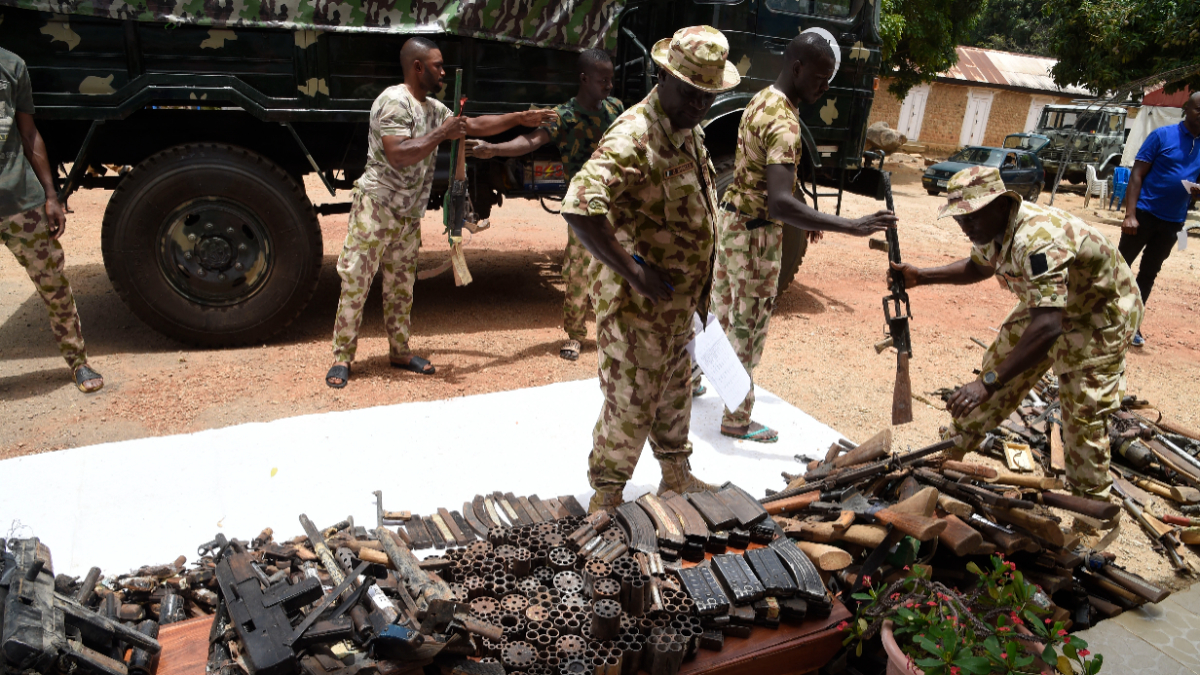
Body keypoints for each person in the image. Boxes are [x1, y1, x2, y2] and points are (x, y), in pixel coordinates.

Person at [560, 26, 739, 513]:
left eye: (708, 95)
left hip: (678, 309)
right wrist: (634, 272)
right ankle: (606, 497)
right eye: (690, 92)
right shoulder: (635, 135)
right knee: (631, 404)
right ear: (663, 76)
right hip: (638, 312)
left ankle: (676, 477)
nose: (699, 105)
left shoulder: (686, 128)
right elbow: (579, 205)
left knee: (675, 393)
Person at [891, 166, 1142, 500]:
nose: (965, 226)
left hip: (1100, 313)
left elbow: (1049, 327)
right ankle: (951, 450)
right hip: (1051, 305)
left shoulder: (1036, 239)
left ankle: (1092, 508)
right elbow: (979, 266)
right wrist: (921, 276)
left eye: (971, 217)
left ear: (1000, 204)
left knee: (1083, 413)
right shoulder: (990, 228)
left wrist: (988, 383)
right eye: (959, 218)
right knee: (996, 368)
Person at [326, 37, 554, 388]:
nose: (443, 71)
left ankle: (400, 352)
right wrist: (441, 134)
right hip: (376, 209)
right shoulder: (394, 101)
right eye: (438, 65)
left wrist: (520, 118)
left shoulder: (433, 107)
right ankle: (342, 357)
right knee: (356, 281)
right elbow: (398, 154)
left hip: (407, 214)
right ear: (418, 67)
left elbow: (474, 125)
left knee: (401, 287)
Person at [712, 32, 895, 443]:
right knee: (747, 326)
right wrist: (851, 225)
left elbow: (768, 178)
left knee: (722, 312)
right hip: (756, 237)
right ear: (797, 68)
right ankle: (736, 418)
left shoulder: (762, 100)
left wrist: (804, 211)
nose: (825, 86)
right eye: (820, 77)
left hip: (733, 224)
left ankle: (697, 381)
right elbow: (778, 203)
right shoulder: (785, 123)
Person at [470, 49, 623, 362]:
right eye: (603, 80)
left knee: (619, 268)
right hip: (583, 205)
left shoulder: (616, 108)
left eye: (611, 80)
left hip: (617, 201)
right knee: (579, 270)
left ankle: (615, 333)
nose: (609, 86)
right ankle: (576, 335)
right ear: (584, 79)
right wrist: (495, 149)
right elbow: (531, 141)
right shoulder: (563, 115)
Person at [0, 46, 102, 393]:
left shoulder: (12, 65)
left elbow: (29, 134)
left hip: (21, 202)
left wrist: (50, 195)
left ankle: (78, 363)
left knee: (54, 287)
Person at [1118, 90, 1200, 347]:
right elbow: (1137, 175)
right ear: (1186, 109)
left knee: (1149, 274)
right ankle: (1098, 315)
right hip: (1143, 215)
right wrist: (1130, 214)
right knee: (1119, 268)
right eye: (1199, 109)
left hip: (1173, 222)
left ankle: (1132, 324)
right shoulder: (1162, 135)